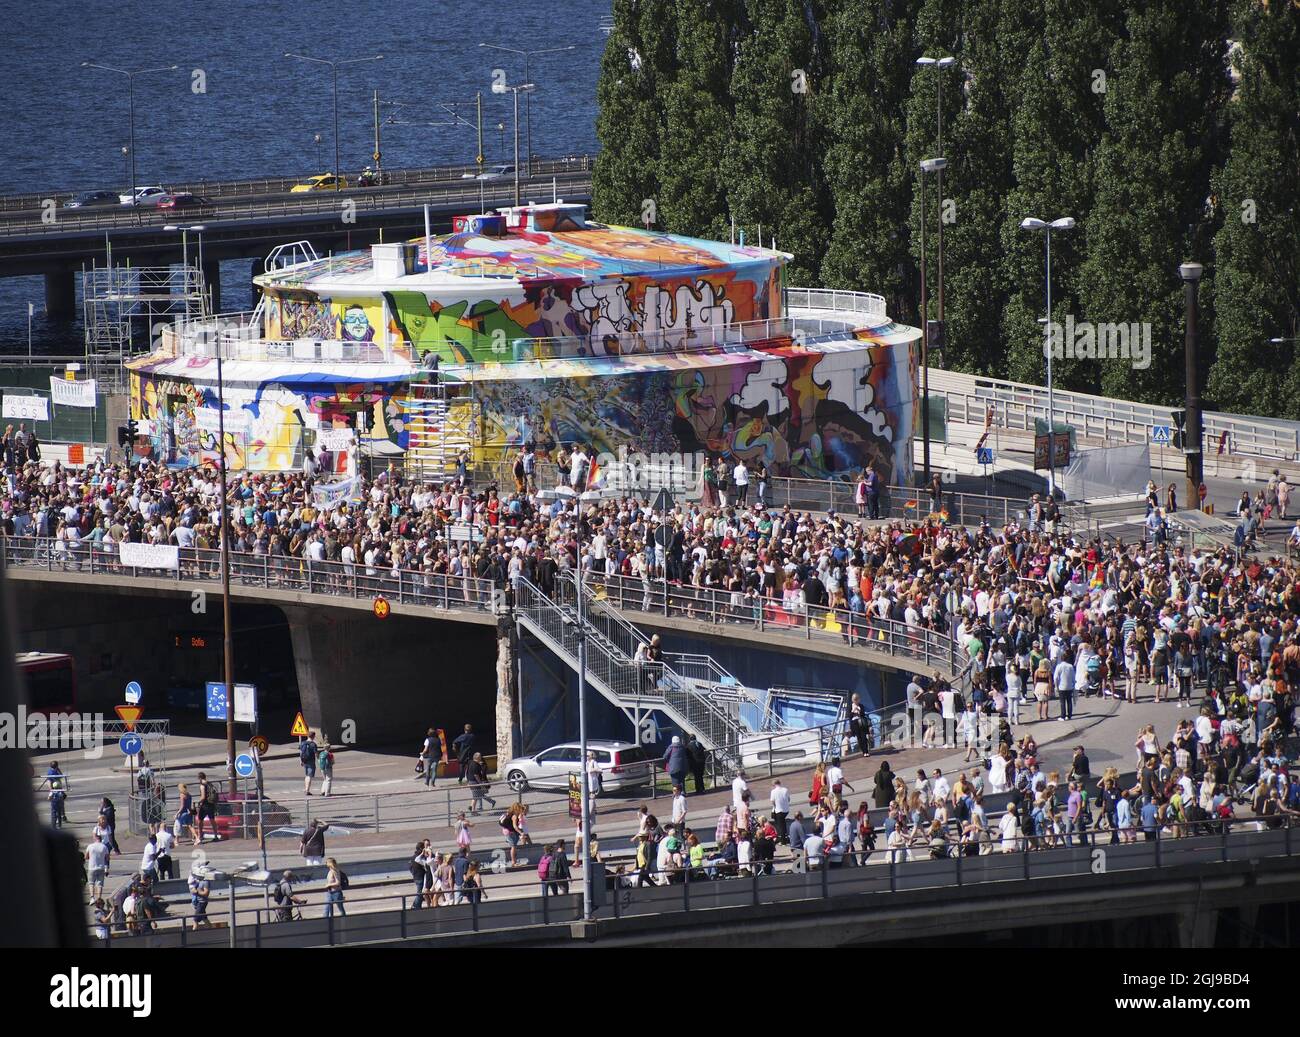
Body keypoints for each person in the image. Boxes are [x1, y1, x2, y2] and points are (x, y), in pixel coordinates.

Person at [195, 772, 219, 844]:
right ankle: (215, 835)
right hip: (211, 804)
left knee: (200, 821)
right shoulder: (209, 784)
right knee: (212, 820)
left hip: (205, 805)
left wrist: (198, 802)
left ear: (199, 778)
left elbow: (203, 797)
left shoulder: (202, 785)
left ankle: (200, 837)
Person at [86, 833, 109, 902]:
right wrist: (106, 868)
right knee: (100, 884)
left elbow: (86, 857)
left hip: (92, 867)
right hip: (101, 867)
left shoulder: (90, 846)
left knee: (91, 883)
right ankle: (99, 898)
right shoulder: (104, 847)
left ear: (95, 838)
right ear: (101, 839)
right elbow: (107, 858)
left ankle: (92, 898)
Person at [770, 777, 791, 843]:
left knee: (781, 825)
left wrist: (775, 806)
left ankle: (783, 840)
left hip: (779, 810)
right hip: (786, 810)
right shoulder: (785, 789)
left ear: (774, 784)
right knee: (783, 823)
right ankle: (784, 836)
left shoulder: (773, 791)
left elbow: (772, 801)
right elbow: (788, 799)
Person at [300, 730, 318, 795]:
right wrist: (319, 760)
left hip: (304, 760)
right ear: (313, 736)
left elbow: (301, 752)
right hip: (311, 761)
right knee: (309, 776)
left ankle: (306, 789)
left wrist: (301, 761)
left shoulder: (303, 743)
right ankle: (307, 790)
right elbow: (316, 754)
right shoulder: (313, 744)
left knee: (306, 775)